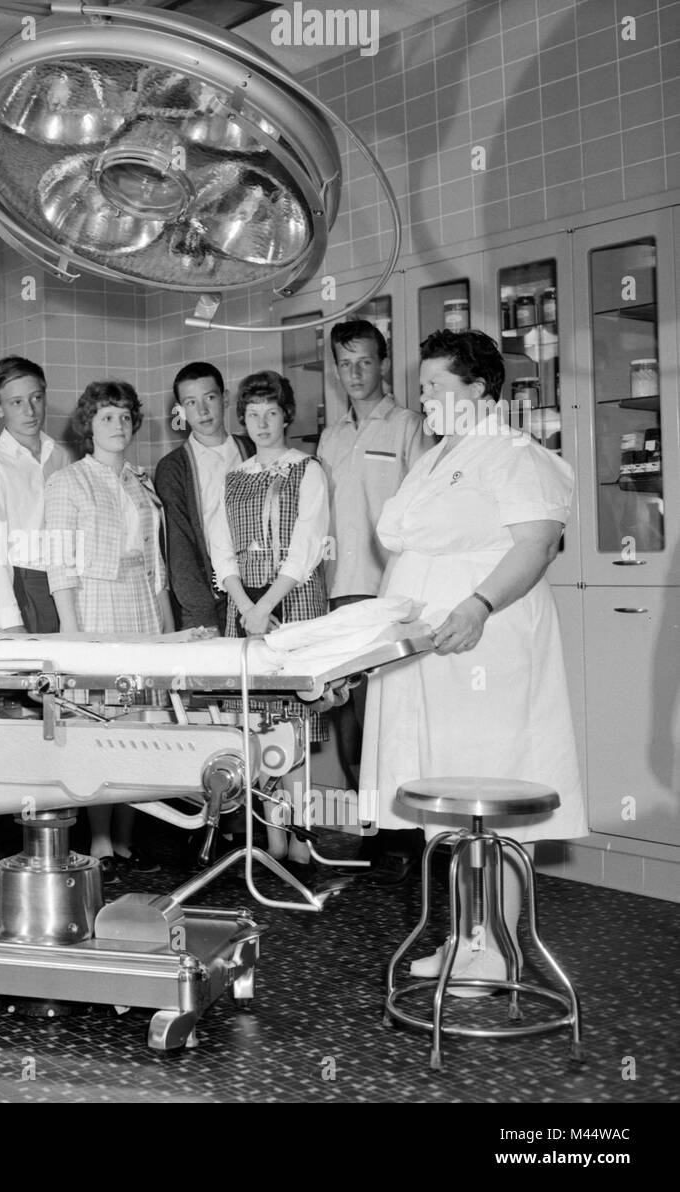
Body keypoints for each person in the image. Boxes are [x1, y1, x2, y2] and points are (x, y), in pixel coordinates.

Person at [363, 329, 584, 991]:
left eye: (435, 385)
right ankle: (464, 938)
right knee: (450, 800)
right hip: (431, 654)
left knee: (497, 795)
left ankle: (498, 949)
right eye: (422, 383)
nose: (422, 396)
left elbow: (537, 545)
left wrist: (479, 604)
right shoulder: (435, 458)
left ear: (479, 389)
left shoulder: (513, 454)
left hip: (486, 645)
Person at [45, 380, 175, 881]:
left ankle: (124, 836)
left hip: (140, 602)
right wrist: (72, 629)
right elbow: (59, 563)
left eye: (124, 417)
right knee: (102, 722)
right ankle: (99, 840)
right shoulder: (69, 482)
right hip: (95, 604)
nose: (117, 426)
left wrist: (165, 623)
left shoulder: (140, 482)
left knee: (139, 722)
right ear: (88, 427)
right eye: (106, 418)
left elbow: (155, 560)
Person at [317, 319, 432, 884]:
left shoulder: (410, 426)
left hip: (390, 592)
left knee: (391, 714)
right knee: (349, 719)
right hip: (339, 592)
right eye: (345, 363)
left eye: (365, 361)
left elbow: (426, 510)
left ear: (383, 363)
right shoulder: (331, 436)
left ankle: (403, 834)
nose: (355, 373)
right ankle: (367, 828)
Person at [210, 371, 330, 868]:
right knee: (258, 725)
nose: (262, 422)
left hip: (294, 601)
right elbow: (222, 549)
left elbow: (307, 545)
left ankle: (300, 834)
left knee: (298, 726)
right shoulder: (234, 477)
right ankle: (270, 835)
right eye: (252, 414)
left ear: (286, 416)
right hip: (245, 606)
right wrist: (244, 605)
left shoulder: (309, 470)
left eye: (271, 413)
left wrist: (267, 604)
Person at [0, 356, 71, 633]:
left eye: (36, 398)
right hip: (23, 588)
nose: (30, 411)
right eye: (16, 403)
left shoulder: (60, 456)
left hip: (66, 587)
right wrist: (11, 624)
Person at [154, 362, 253, 633]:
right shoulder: (174, 467)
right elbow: (180, 548)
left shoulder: (254, 449)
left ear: (226, 397)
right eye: (191, 402)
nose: (202, 411)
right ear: (181, 410)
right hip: (210, 598)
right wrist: (203, 616)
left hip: (260, 589)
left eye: (209, 397)